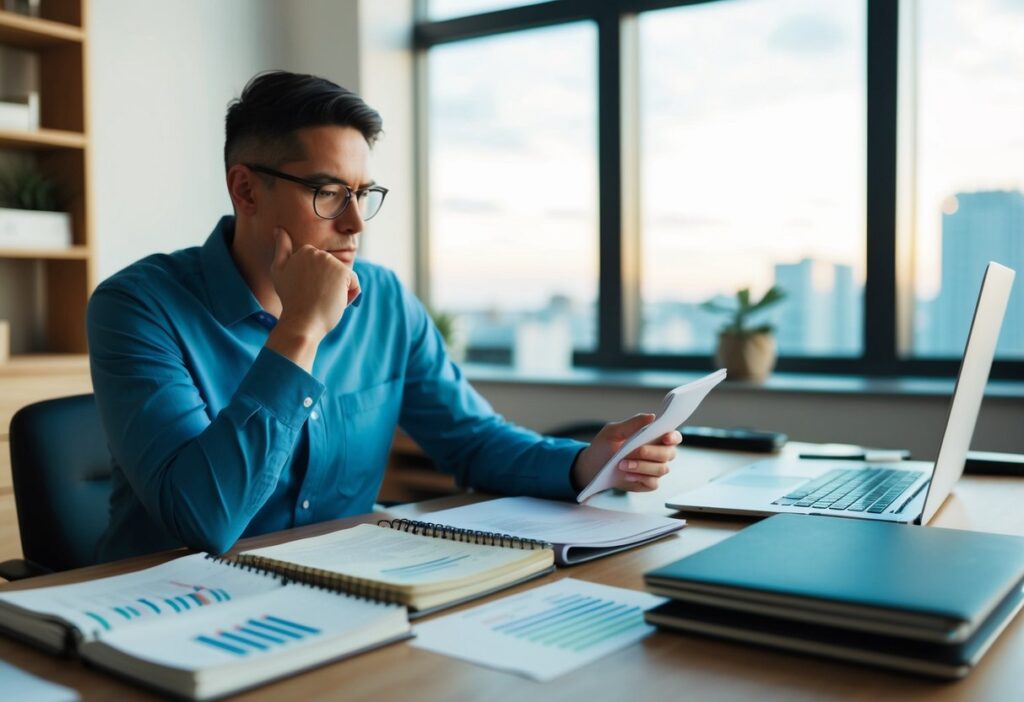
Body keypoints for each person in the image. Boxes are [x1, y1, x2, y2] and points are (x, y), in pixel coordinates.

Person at [87, 71, 681, 562]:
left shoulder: (387, 302)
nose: (355, 224)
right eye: (327, 193)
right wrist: (301, 331)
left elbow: (471, 441)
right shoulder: (138, 308)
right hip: (169, 608)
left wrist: (584, 464)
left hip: (342, 590)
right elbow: (203, 521)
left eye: (363, 193)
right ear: (245, 190)